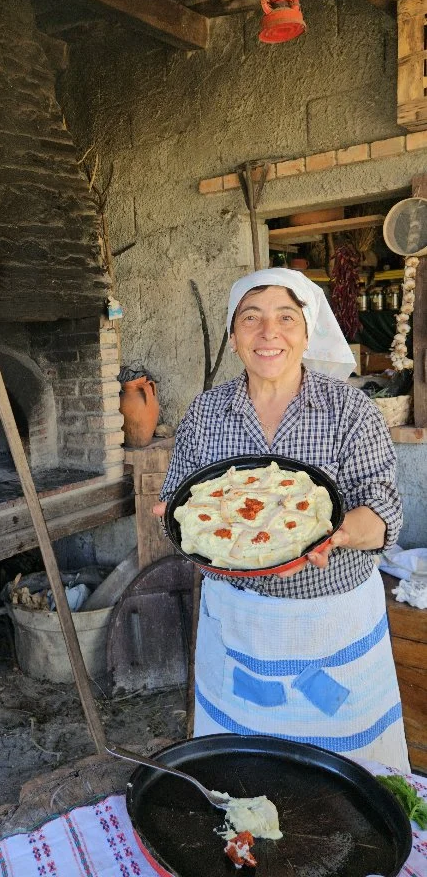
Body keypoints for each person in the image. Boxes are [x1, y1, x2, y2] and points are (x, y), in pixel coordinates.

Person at [153, 268, 409, 772]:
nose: (268, 333)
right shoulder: (206, 413)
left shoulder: (350, 409)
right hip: (239, 625)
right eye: (252, 318)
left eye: (285, 318)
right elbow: (177, 504)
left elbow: (383, 516)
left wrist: (334, 535)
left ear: (307, 331)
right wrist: (173, 522)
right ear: (233, 335)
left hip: (332, 625)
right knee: (245, 768)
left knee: (346, 773)